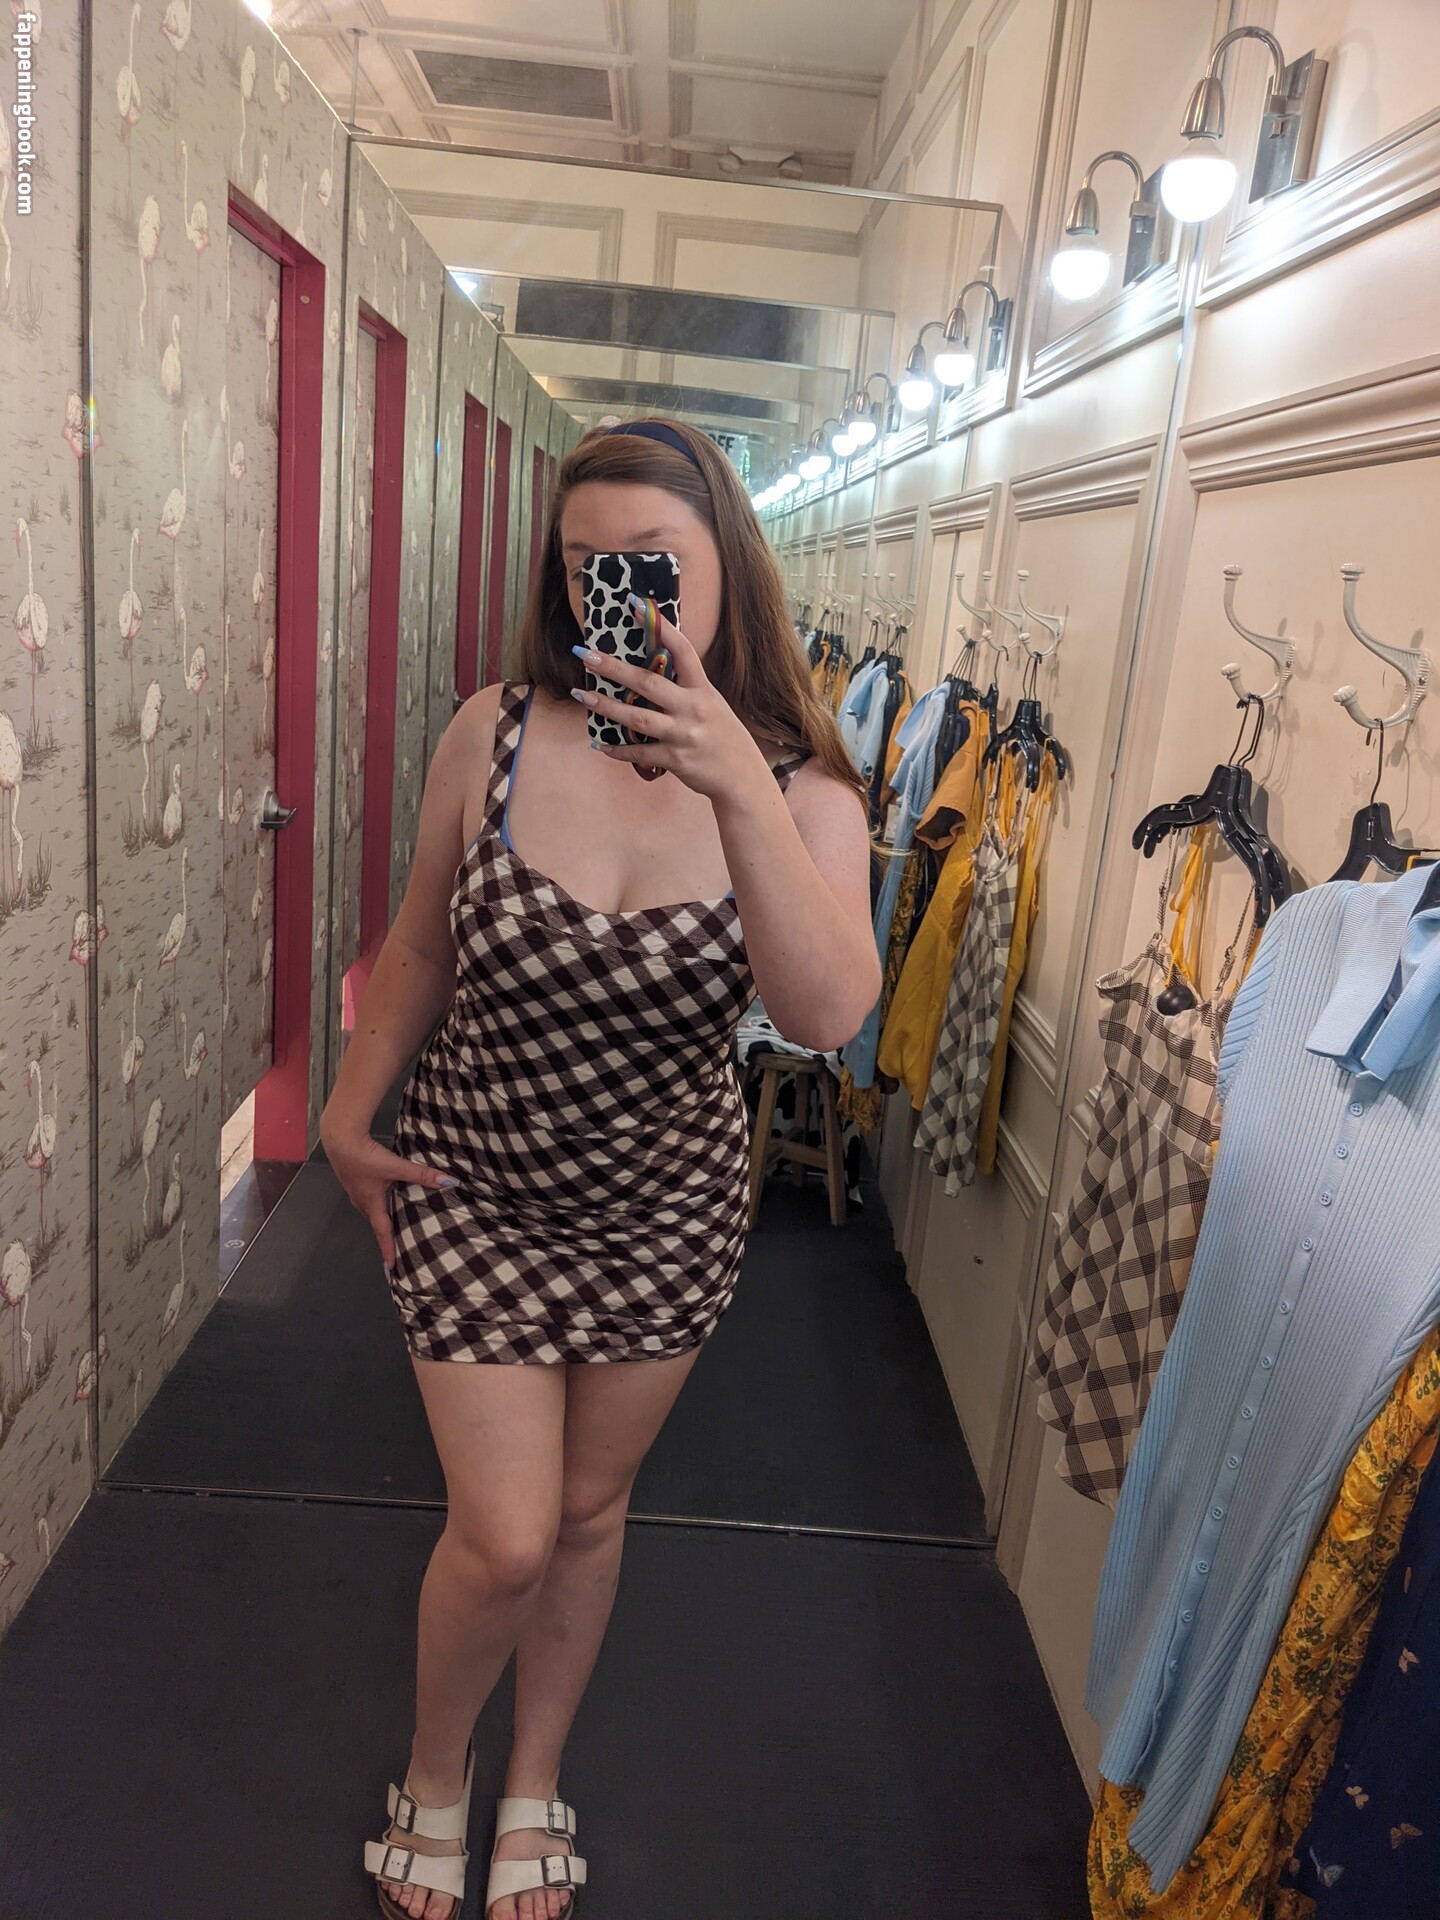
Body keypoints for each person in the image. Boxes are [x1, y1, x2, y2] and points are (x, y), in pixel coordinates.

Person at [321, 417, 880, 1920]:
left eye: (649, 563)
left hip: (663, 1216)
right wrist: (348, 1113)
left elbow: (827, 1014)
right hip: (476, 1189)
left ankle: (533, 1777)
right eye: (583, 566)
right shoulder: (494, 731)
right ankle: (436, 1771)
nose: (610, 594)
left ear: (725, 573)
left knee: (583, 1516)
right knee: (504, 1536)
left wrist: (736, 783)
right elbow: (424, 937)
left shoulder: (807, 796)